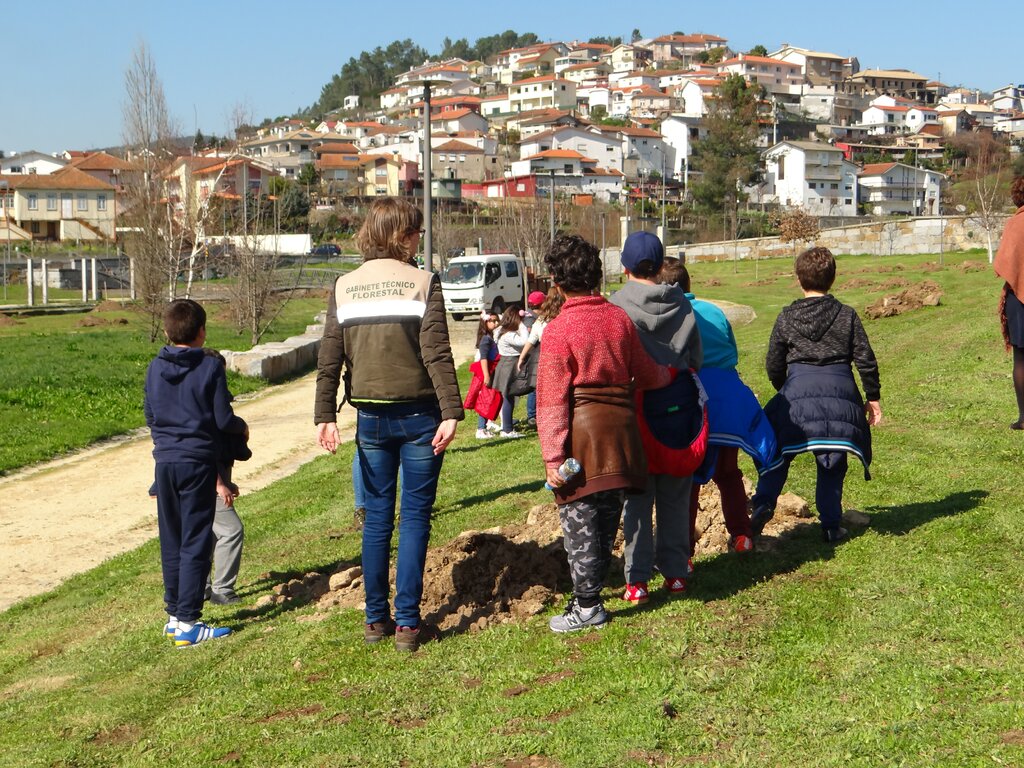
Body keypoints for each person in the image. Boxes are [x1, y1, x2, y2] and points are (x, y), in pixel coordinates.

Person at [315, 197, 463, 653]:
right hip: (420, 417)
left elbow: (329, 358)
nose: (419, 239)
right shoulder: (424, 283)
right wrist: (453, 412)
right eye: (416, 232)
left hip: (370, 419)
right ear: (401, 236)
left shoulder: (343, 286)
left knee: (377, 520)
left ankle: (375, 620)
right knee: (415, 518)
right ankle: (407, 626)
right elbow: (437, 353)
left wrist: (324, 415)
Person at [537, 234, 672, 633]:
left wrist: (552, 458)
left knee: (578, 523)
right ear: (597, 275)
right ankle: (590, 600)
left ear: (556, 282)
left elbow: (550, 402)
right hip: (622, 436)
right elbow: (648, 374)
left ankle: (588, 607)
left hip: (581, 439)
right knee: (606, 521)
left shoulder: (559, 330)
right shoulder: (619, 319)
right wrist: (674, 374)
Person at [749, 246, 882, 544]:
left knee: (776, 450)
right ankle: (832, 525)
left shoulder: (786, 317)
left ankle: (763, 503)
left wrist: (786, 389)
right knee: (832, 459)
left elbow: (773, 363)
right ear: (833, 279)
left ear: (798, 279)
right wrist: (872, 397)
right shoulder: (847, 316)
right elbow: (865, 359)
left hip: (796, 392)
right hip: (841, 394)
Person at [660, 258, 778, 563]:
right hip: (730, 400)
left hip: (696, 404)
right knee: (729, 474)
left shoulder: (668, 315)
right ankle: (742, 536)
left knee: (687, 481)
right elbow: (732, 353)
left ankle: (684, 552)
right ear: (689, 284)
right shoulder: (713, 311)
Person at [144, 299, 248, 646]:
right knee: (195, 542)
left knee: (172, 539)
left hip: (165, 463)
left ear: (168, 331)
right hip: (197, 463)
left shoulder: (154, 367)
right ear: (202, 331)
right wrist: (241, 427)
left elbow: (150, 416)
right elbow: (221, 419)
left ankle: (174, 615)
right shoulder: (208, 367)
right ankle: (189, 623)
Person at [609, 232, 703, 602]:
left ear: (625, 265)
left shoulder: (616, 307)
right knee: (676, 496)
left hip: (636, 414)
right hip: (678, 411)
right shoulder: (682, 304)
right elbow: (696, 359)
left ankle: (637, 581)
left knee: (636, 499)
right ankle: (676, 574)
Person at [993, 176, 1024, 429]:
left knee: (1021, 360)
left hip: (1018, 301)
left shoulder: (1015, 224)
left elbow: (1005, 263)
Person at [518, 288, 563, 430]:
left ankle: (540, 417)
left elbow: (531, 339)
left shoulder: (541, 321)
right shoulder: (563, 318)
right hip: (561, 358)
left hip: (546, 358)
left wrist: (521, 357)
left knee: (542, 390)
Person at [489, 305, 530, 438]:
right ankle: (507, 430)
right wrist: (522, 325)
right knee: (508, 397)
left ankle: (507, 426)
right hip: (509, 364)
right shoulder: (508, 334)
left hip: (505, 364)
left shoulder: (501, 330)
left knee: (508, 397)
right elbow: (525, 341)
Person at [471, 310, 502, 439]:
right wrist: (486, 376)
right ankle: (480, 429)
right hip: (487, 372)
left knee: (488, 400)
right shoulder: (485, 340)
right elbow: (483, 358)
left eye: (496, 320)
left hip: (491, 371)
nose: (495, 323)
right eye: (492, 321)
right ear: (485, 322)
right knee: (485, 400)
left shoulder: (489, 337)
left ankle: (485, 426)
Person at [522, 290, 547, 426]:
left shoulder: (530, 315)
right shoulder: (531, 320)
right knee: (534, 386)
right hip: (533, 357)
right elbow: (530, 340)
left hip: (534, 356)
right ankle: (532, 414)